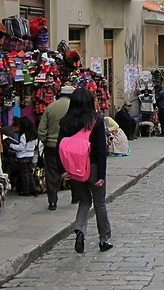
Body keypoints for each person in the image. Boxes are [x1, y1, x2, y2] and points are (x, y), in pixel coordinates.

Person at [57, 88, 112, 254]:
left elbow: (59, 147)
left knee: (84, 201)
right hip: (93, 166)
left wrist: (62, 170)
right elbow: (101, 149)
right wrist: (101, 174)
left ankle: (80, 230)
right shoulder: (96, 120)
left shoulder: (65, 121)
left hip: (74, 168)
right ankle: (104, 240)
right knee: (100, 203)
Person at [38, 85, 74, 211]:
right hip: (70, 146)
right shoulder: (74, 107)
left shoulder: (51, 106)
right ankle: (76, 196)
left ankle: (52, 201)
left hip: (52, 145)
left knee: (52, 173)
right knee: (72, 170)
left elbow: (41, 129)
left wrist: (46, 140)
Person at [8, 117, 38, 196]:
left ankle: (26, 190)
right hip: (30, 155)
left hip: (23, 157)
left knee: (24, 174)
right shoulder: (33, 135)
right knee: (29, 173)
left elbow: (21, 148)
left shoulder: (23, 136)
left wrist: (11, 145)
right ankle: (34, 189)